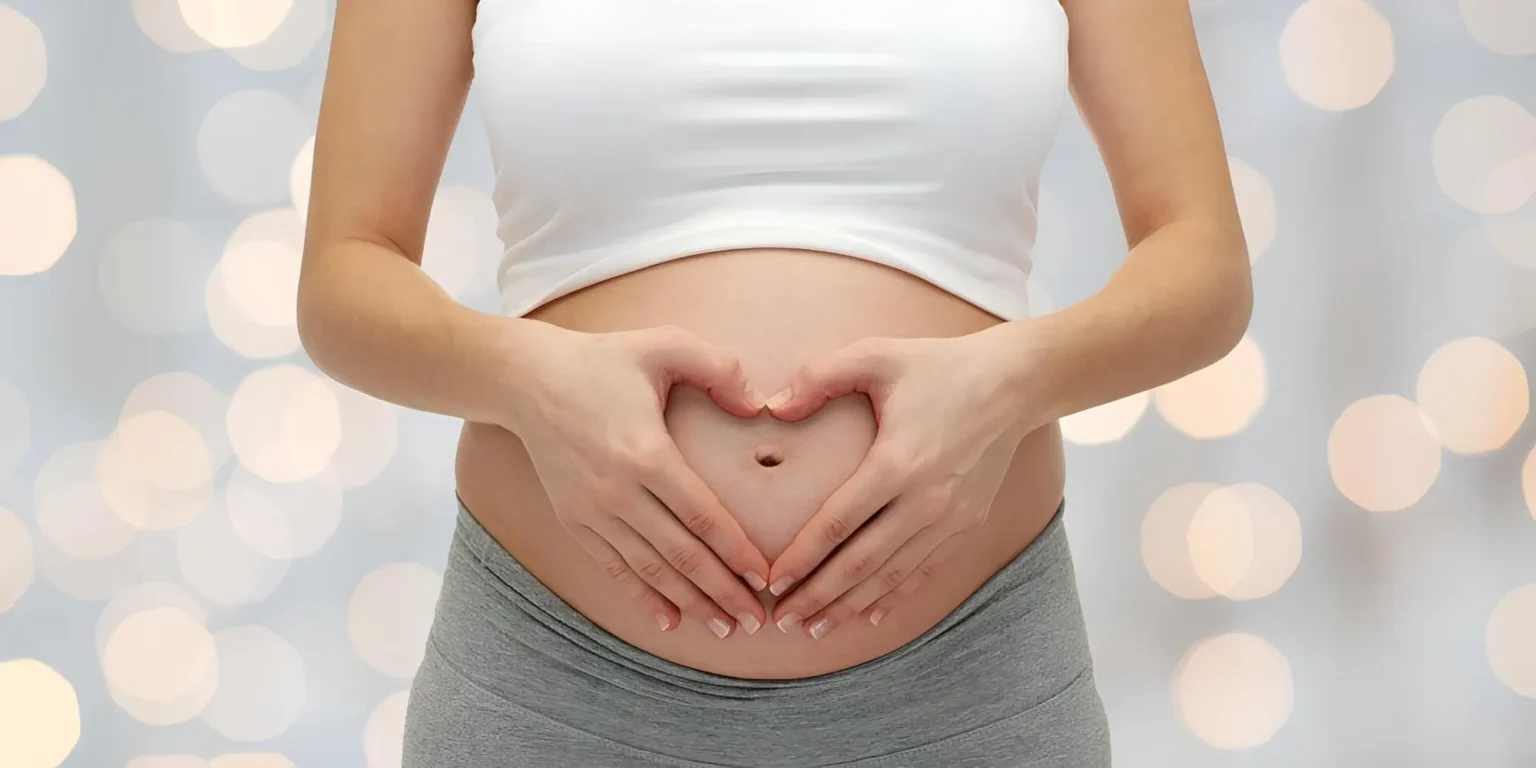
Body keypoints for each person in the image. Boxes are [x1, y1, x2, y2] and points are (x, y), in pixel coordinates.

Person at [296, 0, 1252, 764]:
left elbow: (1202, 262)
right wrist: (524, 379)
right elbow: (346, 272)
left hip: (965, 690)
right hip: (560, 688)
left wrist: (1009, 382)